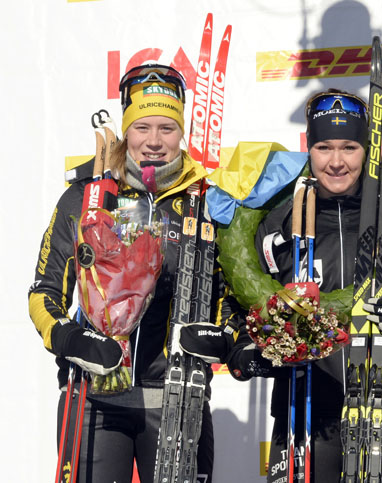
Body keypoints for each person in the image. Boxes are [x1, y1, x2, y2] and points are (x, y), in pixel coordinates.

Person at [183, 89, 382, 482]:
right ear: (309, 148)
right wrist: (247, 351)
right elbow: (240, 303)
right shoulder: (276, 219)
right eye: (324, 147)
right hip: (303, 404)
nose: (336, 161)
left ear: (367, 150)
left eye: (349, 147)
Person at [28, 64, 234, 483]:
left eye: (167, 128)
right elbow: (44, 293)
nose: (154, 142)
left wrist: (225, 336)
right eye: (141, 127)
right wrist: (70, 338)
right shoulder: (87, 198)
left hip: (177, 398)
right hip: (94, 397)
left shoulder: (209, 203)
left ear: (182, 132)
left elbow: (230, 298)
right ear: (125, 130)